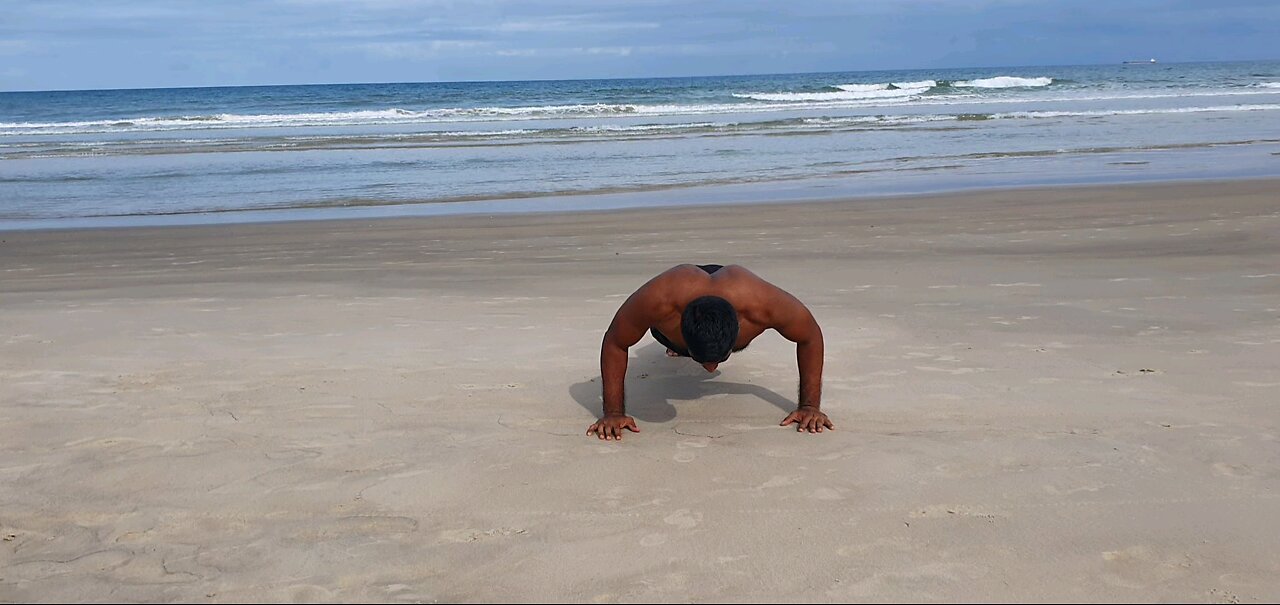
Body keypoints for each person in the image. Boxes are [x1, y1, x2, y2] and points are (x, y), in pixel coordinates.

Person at [587, 264, 831, 440]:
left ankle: (707, 347)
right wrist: (614, 413)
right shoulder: (658, 301)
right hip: (675, 314)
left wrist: (810, 406)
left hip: (730, 293)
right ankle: (678, 348)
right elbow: (615, 342)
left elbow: (810, 337)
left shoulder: (762, 305)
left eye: (720, 360)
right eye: (699, 359)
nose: (711, 370)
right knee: (657, 334)